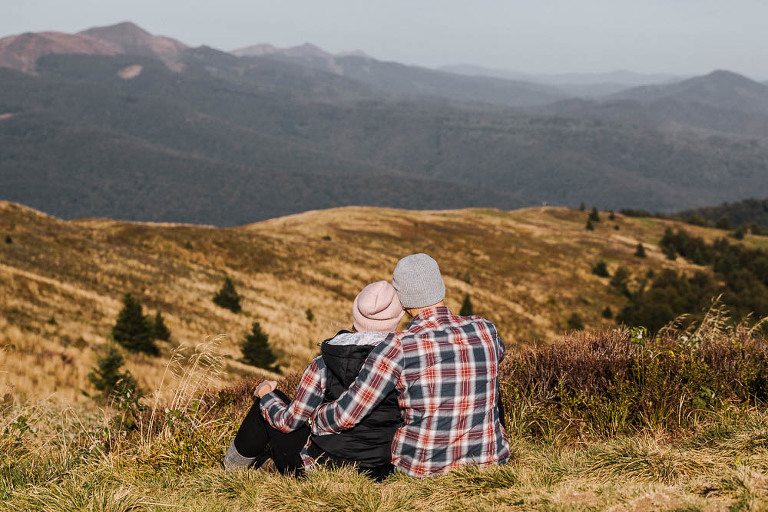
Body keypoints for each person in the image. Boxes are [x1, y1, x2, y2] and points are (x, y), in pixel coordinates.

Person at [310, 253, 509, 477]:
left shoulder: (399, 346)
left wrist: (316, 417)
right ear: (441, 287)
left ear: (401, 301)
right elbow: (498, 354)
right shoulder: (485, 329)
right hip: (490, 464)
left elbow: (348, 414)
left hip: (424, 471)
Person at [222, 281, 404, 480]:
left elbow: (289, 422)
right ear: (398, 317)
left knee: (268, 402)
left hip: (320, 471)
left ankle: (227, 471)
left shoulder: (324, 363)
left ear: (356, 316)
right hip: (379, 472)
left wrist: (266, 394)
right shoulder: (406, 361)